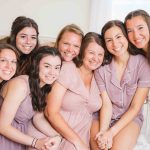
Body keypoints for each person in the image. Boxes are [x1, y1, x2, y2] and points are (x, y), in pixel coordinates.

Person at [94, 20, 150, 150]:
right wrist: (103, 132)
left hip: (130, 118)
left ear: (126, 37)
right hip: (102, 117)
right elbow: (106, 104)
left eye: (118, 37)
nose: (115, 44)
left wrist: (111, 133)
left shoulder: (143, 64)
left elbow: (135, 107)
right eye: (109, 40)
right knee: (99, 146)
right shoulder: (101, 67)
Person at [44, 32, 105, 150]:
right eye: (91, 53)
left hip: (83, 135)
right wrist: (77, 142)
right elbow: (50, 112)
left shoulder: (100, 76)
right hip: (57, 132)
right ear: (82, 52)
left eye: (100, 54)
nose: (96, 58)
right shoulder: (68, 68)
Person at [27, 24, 84, 147]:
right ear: (58, 42)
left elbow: (40, 114)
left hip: (42, 122)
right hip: (31, 123)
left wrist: (58, 136)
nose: (70, 49)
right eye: (66, 43)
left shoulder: (70, 67)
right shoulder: (44, 61)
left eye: (76, 46)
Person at [0, 46, 62, 150]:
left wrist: (58, 136)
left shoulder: (43, 86)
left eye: (57, 67)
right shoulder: (21, 85)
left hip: (18, 137)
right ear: (36, 65)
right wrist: (35, 142)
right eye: (47, 66)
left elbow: (38, 117)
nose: (52, 72)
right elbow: (2, 126)